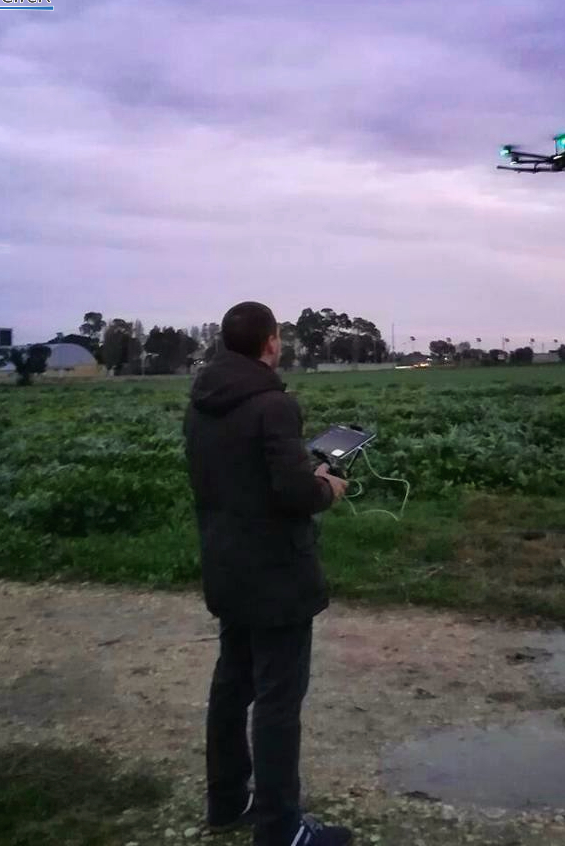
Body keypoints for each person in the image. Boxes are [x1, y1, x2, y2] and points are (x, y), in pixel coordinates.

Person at [184, 301, 352, 846]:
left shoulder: (201, 403)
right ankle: (281, 829)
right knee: (279, 701)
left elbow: (236, 477)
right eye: (278, 338)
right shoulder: (273, 405)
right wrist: (326, 485)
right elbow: (292, 494)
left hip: (226, 564)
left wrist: (293, 468)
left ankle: (227, 801)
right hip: (277, 576)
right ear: (271, 342)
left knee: (232, 685)